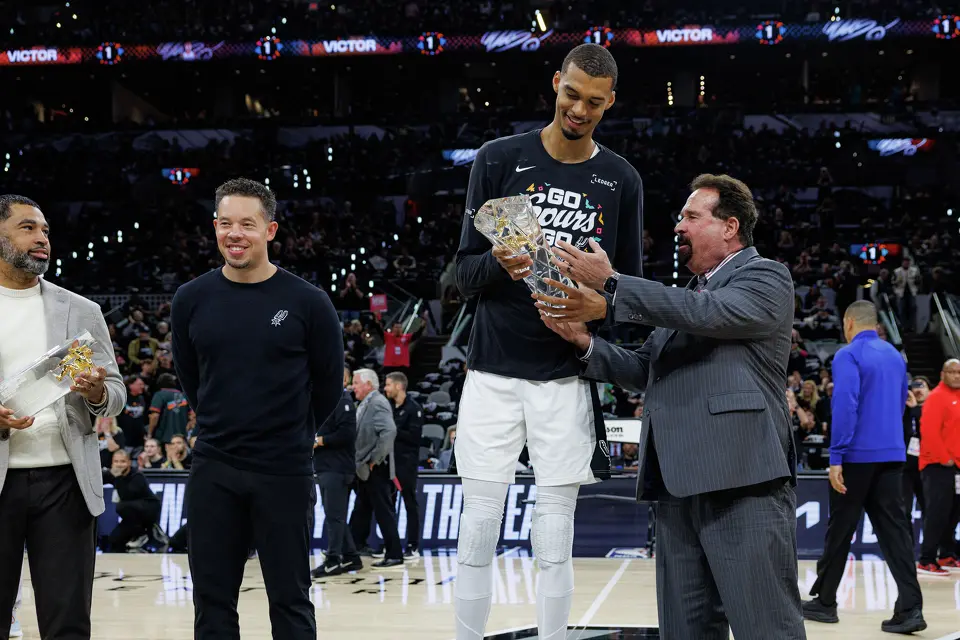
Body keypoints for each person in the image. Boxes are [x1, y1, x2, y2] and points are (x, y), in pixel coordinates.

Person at [534, 174, 805, 639]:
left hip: (742, 481)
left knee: (766, 627)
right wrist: (584, 344)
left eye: (691, 216)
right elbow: (644, 370)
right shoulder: (686, 297)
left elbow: (711, 315)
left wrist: (613, 284)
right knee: (685, 629)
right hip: (676, 486)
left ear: (730, 227)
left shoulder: (764, 276)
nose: (678, 226)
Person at [453, 43, 643, 640]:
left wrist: (600, 306)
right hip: (492, 373)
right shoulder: (497, 158)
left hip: (566, 376)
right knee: (479, 525)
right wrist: (498, 265)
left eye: (593, 102)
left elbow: (628, 293)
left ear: (609, 104)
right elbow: (456, 277)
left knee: (556, 534)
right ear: (555, 84)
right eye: (571, 95)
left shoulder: (621, 179)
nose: (579, 110)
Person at [171, 178, 344, 640]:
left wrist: (291, 432)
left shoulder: (309, 302)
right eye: (225, 223)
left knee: (289, 601)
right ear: (214, 228)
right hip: (214, 466)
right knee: (211, 602)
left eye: (247, 224)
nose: (235, 233)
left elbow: (328, 386)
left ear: (270, 230)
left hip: (283, 470)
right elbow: (193, 378)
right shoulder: (190, 300)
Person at [0, 194, 125, 639]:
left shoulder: (81, 311)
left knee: (68, 622)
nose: (42, 239)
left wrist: (96, 392)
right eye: (28, 228)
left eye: (46, 230)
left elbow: (116, 394)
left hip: (65, 483)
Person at [802, 301, 925, 632]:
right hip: (891, 454)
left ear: (849, 322)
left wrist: (836, 456)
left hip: (856, 455)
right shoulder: (895, 357)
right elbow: (902, 402)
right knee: (896, 532)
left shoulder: (847, 355)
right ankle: (911, 607)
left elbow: (845, 405)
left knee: (840, 528)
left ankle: (825, 602)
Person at [311, 366, 362, 578]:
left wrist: (320, 440)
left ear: (343, 379)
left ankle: (333, 560)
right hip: (326, 467)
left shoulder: (343, 402)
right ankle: (351, 556)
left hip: (338, 468)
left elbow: (347, 434)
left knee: (334, 516)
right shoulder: (328, 401)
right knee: (336, 515)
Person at [348, 368, 402, 567]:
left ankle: (395, 553)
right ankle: (354, 546)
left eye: (356, 383)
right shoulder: (366, 403)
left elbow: (389, 432)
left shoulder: (378, 403)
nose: (353, 387)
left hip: (376, 469)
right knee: (361, 509)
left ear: (368, 385)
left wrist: (374, 460)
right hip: (365, 469)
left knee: (383, 512)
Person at [916, 358, 960, 575]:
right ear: (943, 374)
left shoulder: (958, 397)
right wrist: (945, 458)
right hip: (937, 465)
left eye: (959, 372)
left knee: (953, 512)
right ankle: (927, 558)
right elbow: (930, 432)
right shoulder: (936, 397)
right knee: (937, 512)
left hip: (955, 466)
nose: (956, 376)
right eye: (952, 372)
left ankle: (947, 554)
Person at [383, 371, 424, 558]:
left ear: (399, 386)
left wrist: (393, 430)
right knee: (388, 504)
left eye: (388, 384)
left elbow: (414, 438)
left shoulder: (413, 408)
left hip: (406, 463)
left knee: (409, 503)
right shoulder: (388, 407)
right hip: (388, 461)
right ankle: (390, 545)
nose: (385, 388)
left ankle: (413, 545)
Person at [102, 449, 164, 551]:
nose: (119, 465)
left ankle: (146, 531)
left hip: (149, 508)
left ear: (129, 463)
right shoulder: (114, 473)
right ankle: (139, 533)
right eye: (116, 461)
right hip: (133, 517)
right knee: (114, 540)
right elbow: (99, 479)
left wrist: (117, 477)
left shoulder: (137, 476)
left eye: (122, 461)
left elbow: (127, 495)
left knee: (121, 506)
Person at [902, 376, 930, 536]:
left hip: (927, 467)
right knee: (903, 509)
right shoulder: (903, 410)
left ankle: (931, 548)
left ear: (929, 390)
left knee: (930, 508)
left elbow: (927, 432)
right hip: (905, 467)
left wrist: (915, 409)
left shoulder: (932, 409)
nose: (918, 390)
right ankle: (906, 549)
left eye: (922, 386)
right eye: (915, 386)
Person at [148, 373, 190, 445]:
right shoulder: (184, 395)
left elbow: (155, 416)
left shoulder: (159, 395)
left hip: (164, 437)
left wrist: (150, 432)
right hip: (182, 437)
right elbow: (193, 416)